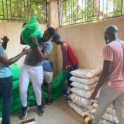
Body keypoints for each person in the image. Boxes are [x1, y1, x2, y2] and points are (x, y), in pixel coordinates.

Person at [90, 25, 124, 124]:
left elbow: (106, 71)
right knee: (121, 111)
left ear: (107, 34)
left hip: (111, 86)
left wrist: (95, 90)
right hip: (122, 87)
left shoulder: (109, 47)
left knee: (100, 108)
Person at [19, 27, 56, 120]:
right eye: (47, 34)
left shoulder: (48, 44)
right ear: (44, 32)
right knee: (22, 90)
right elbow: (23, 42)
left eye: (49, 37)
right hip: (26, 67)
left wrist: (36, 45)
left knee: (37, 89)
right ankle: (24, 106)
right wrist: (23, 31)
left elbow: (42, 58)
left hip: (37, 68)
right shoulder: (38, 37)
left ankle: (39, 105)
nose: (47, 37)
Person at [0, 36, 31, 124]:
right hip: (4, 78)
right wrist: (23, 53)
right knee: (7, 101)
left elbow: (1, 55)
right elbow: (6, 62)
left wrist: (5, 43)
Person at [52, 33, 78, 102]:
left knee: (71, 80)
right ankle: (68, 93)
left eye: (54, 41)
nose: (54, 42)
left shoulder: (64, 45)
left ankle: (71, 96)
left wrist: (64, 68)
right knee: (68, 79)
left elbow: (65, 58)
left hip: (72, 64)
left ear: (58, 39)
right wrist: (64, 67)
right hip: (69, 64)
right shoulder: (62, 44)